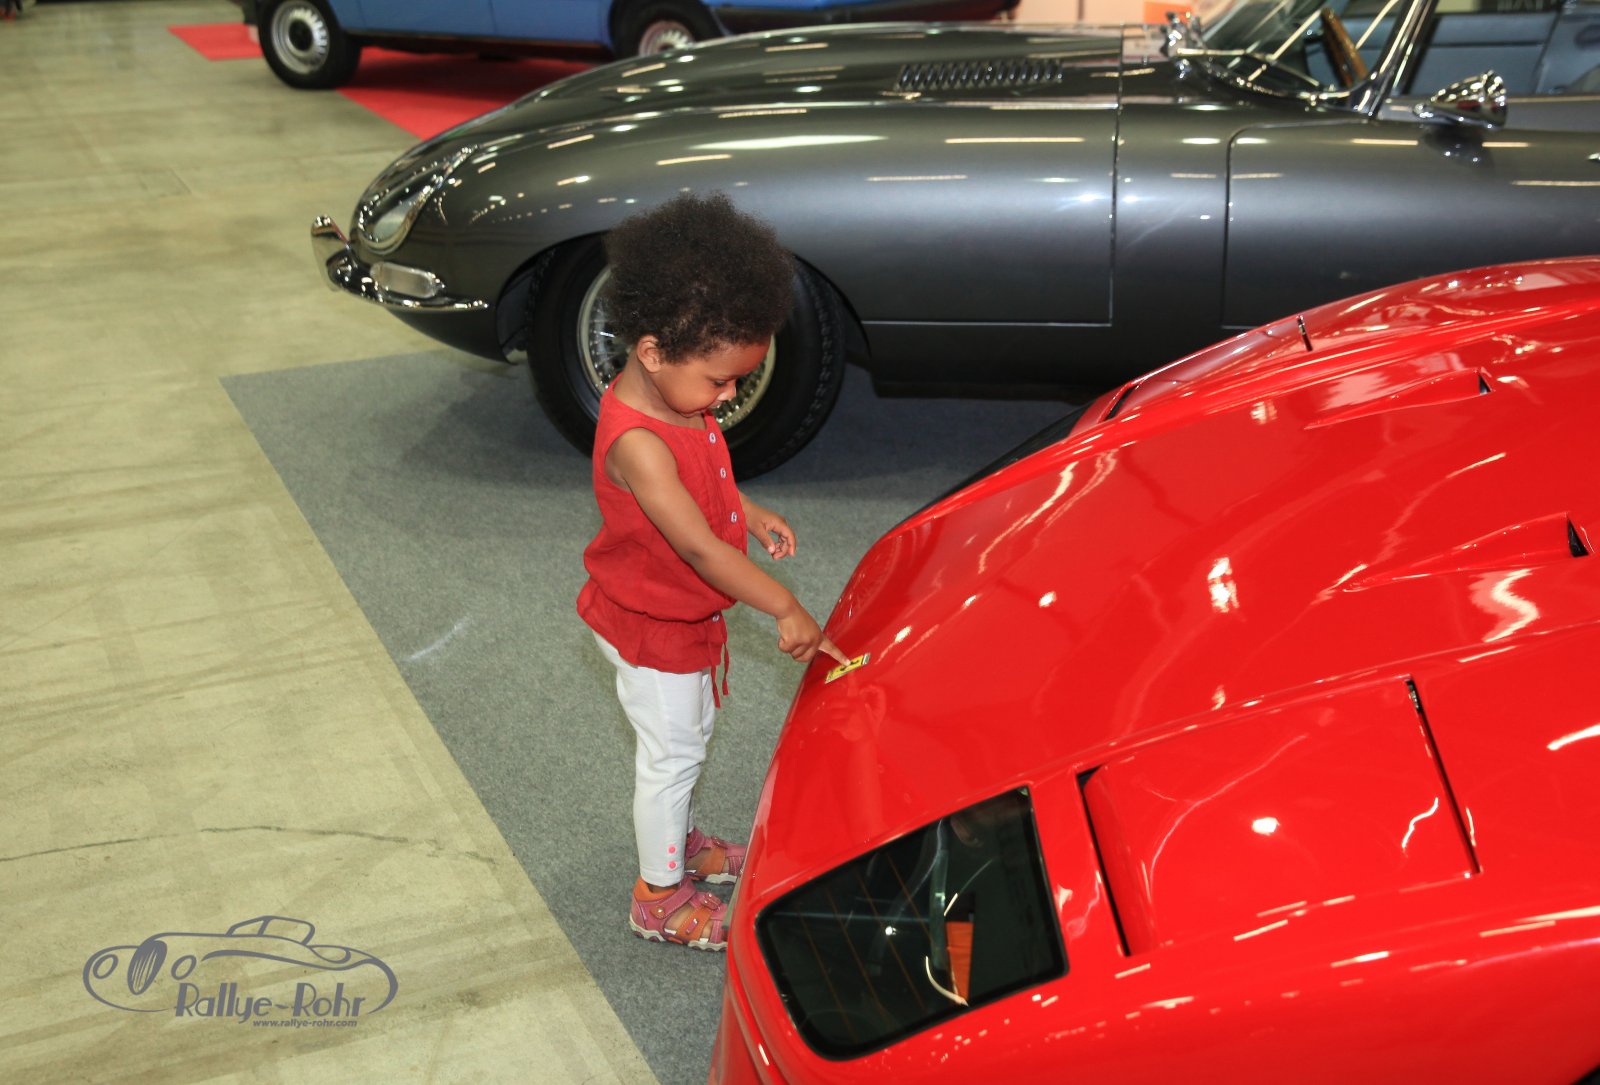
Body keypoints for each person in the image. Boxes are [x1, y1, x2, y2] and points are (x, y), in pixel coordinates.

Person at [576, 191, 850, 951]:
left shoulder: (679, 400)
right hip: (652, 625)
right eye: (719, 381)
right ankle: (658, 897)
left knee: (690, 737)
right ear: (652, 351)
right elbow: (698, 547)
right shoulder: (638, 443)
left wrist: (747, 510)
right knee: (672, 756)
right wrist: (783, 605)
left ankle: (682, 843)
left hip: (682, 616)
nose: (728, 396)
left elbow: (706, 485)